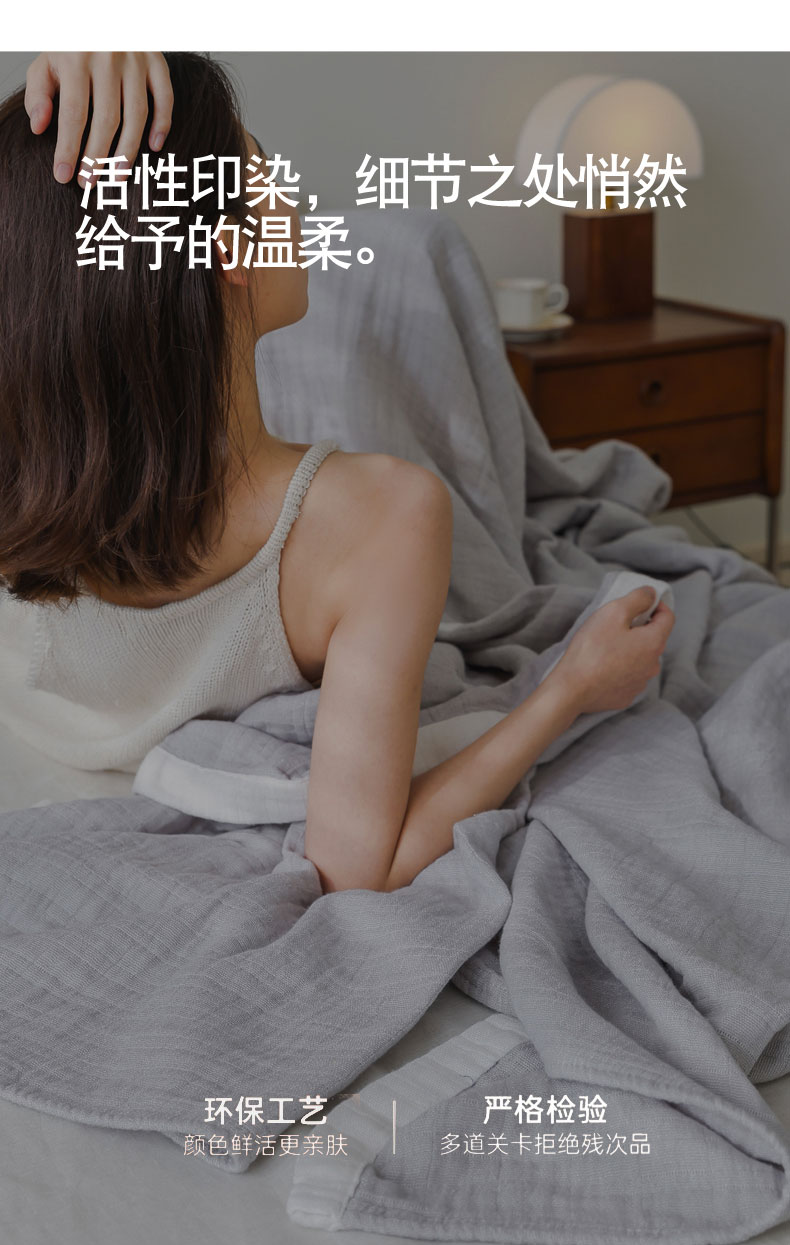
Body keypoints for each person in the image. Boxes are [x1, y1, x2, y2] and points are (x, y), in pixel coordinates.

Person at [0, 50, 674, 894]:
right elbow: (358, 866)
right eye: (269, 175)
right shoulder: (379, 516)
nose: (297, 206)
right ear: (228, 250)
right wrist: (573, 686)